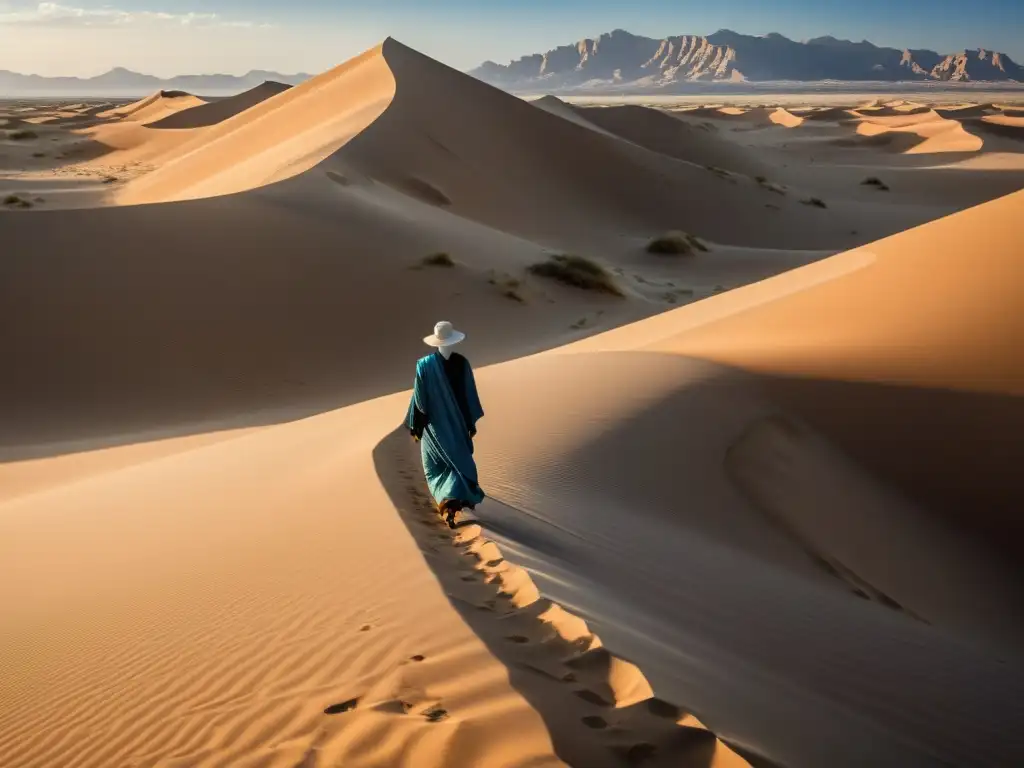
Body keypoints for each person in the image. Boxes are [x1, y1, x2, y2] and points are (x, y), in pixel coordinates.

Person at [406, 321, 485, 528]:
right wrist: (468, 424)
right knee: (458, 465)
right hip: (458, 427)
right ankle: (455, 501)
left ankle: (448, 504)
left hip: (434, 429)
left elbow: (420, 402)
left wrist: (416, 426)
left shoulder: (423, 365)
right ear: (453, 339)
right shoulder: (462, 363)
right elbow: (470, 396)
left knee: (435, 469)